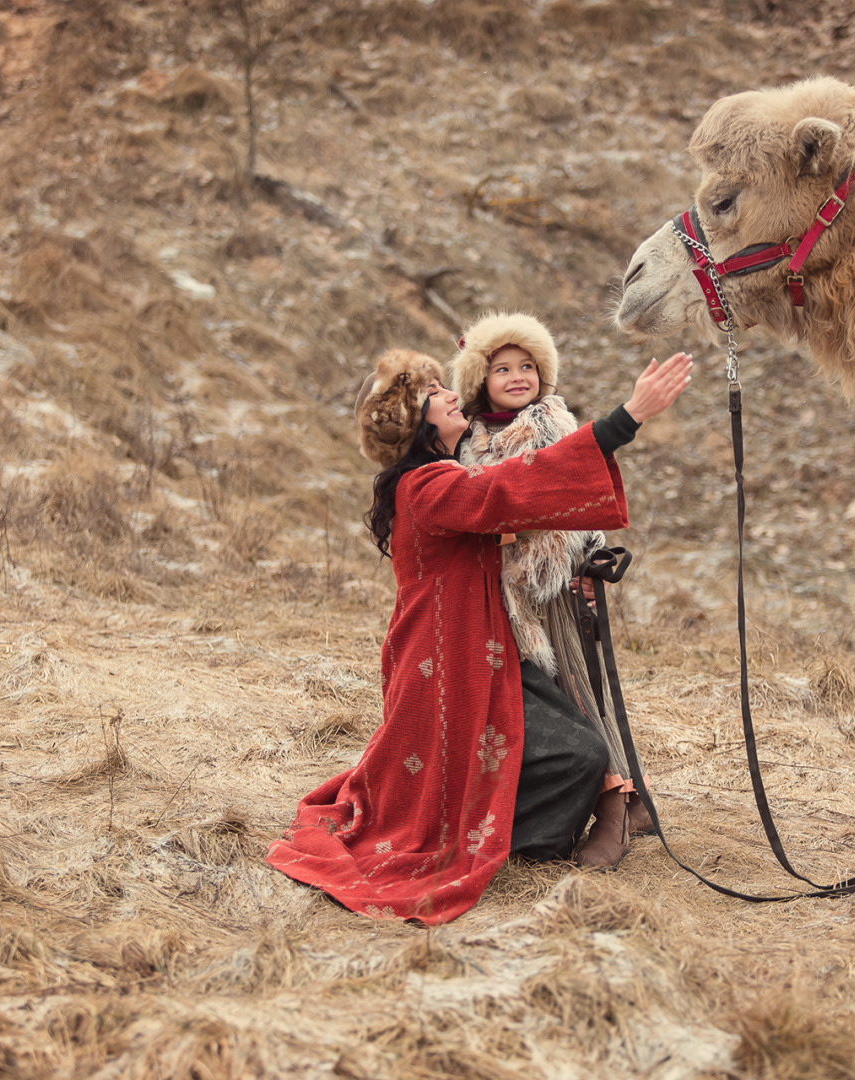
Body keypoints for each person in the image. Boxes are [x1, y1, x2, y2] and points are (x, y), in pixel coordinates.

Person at [266, 345, 693, 924]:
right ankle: (487, 838)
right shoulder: (428, 485)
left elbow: (515, 499)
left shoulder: (440, 476)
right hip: (446, 659)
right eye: (435, 393)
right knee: (577, 754)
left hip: (480, 647)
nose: (450, 394)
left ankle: (497, 825)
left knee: (578, 752)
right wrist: (627, 419)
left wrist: (584, 560)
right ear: (421, 425)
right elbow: (512, 487)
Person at [450, 312, 653, 868]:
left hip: (552, 586)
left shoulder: (548, 419)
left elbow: (575, 489)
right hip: (502, 596)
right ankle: (592, 800)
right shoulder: (469, 436)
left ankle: (617, 804)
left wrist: (588, 561)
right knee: (533, 701)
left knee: (576, 693)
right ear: (479, 380)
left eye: (529, 366)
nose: (519, 377)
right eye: (503, 369)